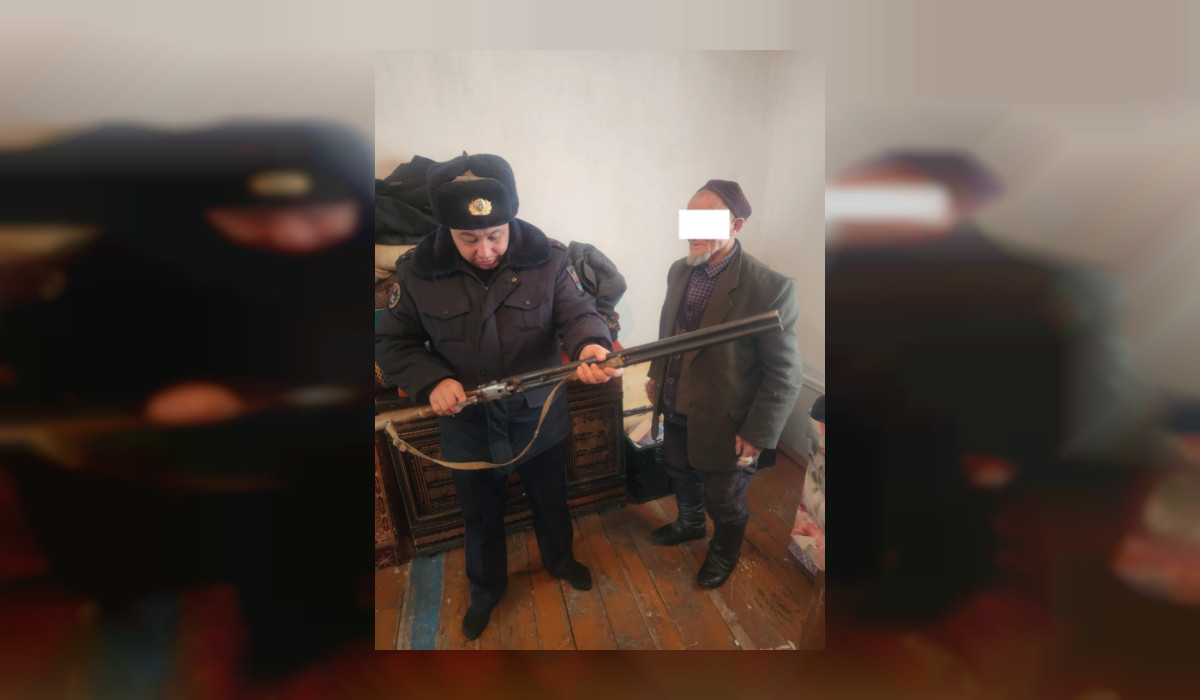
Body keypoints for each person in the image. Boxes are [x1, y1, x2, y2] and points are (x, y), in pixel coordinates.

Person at [374, 153, 620, 640]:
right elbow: (392, 343)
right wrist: (433, 380)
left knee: (551, 501)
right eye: (469, 238)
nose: (484, 250)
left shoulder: (549, 259)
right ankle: (486, 590)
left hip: (538, 417)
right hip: (467, 424)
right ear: (447, 228)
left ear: (510, 218)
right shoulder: (417, 270)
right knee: (480, 517)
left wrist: (591, 344)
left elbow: (579, 314)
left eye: (494, 235)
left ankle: (560, 560)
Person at [644, 179, 803, 589]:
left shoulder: (769, 287)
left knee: (724, 497)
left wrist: (758, 435)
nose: (693, 231)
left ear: (736, 225)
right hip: (677, 403)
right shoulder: (680, 270)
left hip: (727, 420)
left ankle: (724, 553)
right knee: (678, 469)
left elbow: (785, 372)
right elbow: (670, 332)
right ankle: (691, 524)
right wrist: (656, 376)